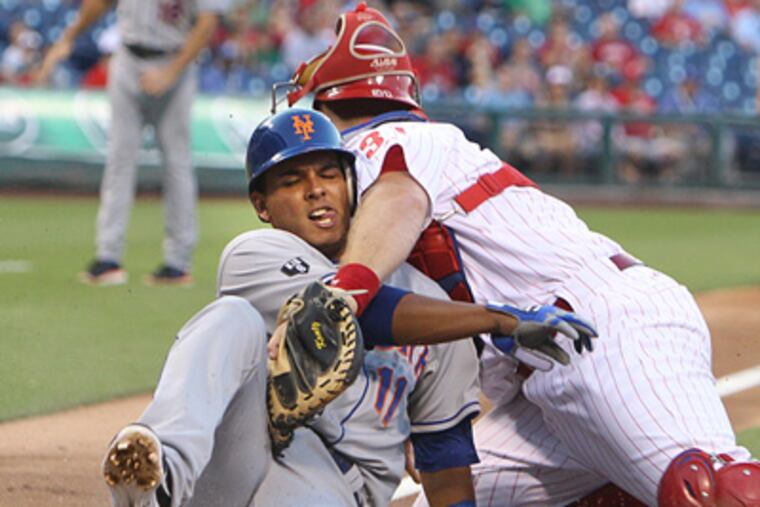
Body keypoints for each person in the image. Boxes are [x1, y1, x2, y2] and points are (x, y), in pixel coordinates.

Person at [282, 3, 760, 506]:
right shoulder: (401, 167)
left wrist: (348, 288)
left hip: (603, 336)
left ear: (329, 104)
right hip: (543, 386)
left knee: (711, 489)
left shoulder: (386, 140)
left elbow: (400, 195)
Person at [102, 108, 596, 507]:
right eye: (292, 179)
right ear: (263, 205)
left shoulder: (435, 305)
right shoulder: (254, 257)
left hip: (337, 486)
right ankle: (157, 474)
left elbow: (443, 459)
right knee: (227, 320)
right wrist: (499, 318)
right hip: (236, 463)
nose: (315, 188)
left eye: (328, 173)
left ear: (352, 184)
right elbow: (357, 309)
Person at [35, 0, 226, 286]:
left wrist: (170, 72)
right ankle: (108, 257)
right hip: (128, 56)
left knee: (177, 162)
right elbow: (99, 3)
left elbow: (208, 21)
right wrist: (68, 38)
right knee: (119, 159)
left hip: (175, 60)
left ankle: (178, 262)